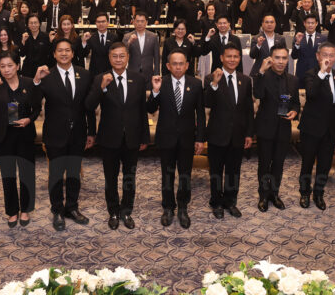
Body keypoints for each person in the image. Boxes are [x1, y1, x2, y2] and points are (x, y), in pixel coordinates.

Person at [33, 39, 96, 231]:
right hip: (55, 133)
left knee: (74, 173)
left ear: (72, 53)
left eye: (67, 50)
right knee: (56, 174)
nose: (64, 53)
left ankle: (72, 207)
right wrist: (36, 81)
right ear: (54, 54)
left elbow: (89, 107)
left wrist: (91, 132)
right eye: (60, 51)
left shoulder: (84, 74)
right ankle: (57, 210)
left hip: (78, 132)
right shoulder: (46, 76)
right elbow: (34, 103)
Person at [86, 43, 150, 230]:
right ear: (109, 58)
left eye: (122, 56)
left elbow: (142, 110)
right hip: (109, 138)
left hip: (132, 138)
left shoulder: (138, 79)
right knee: (110, 178)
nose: (118, 59)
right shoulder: (101, 78)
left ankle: (126, 211)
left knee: (130, 177)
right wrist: (101, 88)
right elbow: (89, 106)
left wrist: (145, 137)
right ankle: (113, 211)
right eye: (115, 56)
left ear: (128, 57)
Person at [148, 50, 206, 228]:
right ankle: (168, 207)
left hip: (187, 139)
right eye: (174, 64)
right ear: (168, 66)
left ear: (187, 65)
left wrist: (200, 139)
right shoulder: (161, 83)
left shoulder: (196, 84)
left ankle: (182, 207)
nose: (178, 67)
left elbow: (200, 114)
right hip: (166, 138)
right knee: (167, 174)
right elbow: (150, 109)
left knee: (185, 175)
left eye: (181, 63)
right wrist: (155, 91)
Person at [0, 53, 40, 227]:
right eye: (2, 66)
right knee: (8, 175)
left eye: (10, 65)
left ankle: (25, 209)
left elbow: (37, 107)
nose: (6, 69)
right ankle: (12, 211)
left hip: (24, 133)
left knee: (26, 173)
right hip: (4, 136)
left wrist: (29, 119)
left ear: (17, 66)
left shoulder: (29, 83)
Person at [204, 43, 254, 218]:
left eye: (235, 56)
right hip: (217, 134)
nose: (232, 60)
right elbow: (207, 103)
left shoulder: (245, 80)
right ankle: (216, 202)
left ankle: (230, 202)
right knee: (216, 171)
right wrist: (215, 84)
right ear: (221, 58)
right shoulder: (211, 78)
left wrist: (249, 133)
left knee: (234, 171)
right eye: (229, 56)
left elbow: (248, 110)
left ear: (239, 59)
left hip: (238, 135)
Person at [297, 42, 335, 211]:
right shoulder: (310, 74)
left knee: (325, 164)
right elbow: (311, 94)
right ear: (318, 56)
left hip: (330, 130)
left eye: (331, 55)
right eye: (325, 55)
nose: (328, 59)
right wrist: (322, 73)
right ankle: (304, 193)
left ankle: (319, 194)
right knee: (307, 163)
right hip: (311, 128)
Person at [253, 44, 300, 212]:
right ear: (271, 59)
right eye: (277, 58)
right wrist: (261, 71)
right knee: (264, 164)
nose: (280, 61)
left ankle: (274, 193)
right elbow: (258, 94)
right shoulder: (263, 76)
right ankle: (263, 195)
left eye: (284, 58)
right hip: (265, 127)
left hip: (284, 128)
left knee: (279, 164)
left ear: (288, 60)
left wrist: (295, 111)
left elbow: (296, 103)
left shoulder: (293, 80)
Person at [122, 11, 161, 87]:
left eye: (142, 21)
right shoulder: (127, 36)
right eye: (137, 21)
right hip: (132, 72)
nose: (139, 24)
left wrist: (156, 74)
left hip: (148, 73)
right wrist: (129, 42)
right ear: (133, 22)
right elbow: (122, 53)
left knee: (148, 92)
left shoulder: (153, 37)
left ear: (146, 22)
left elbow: (157, 57)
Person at [291, 15, 327, 83]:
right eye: (308, 23)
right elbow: (294, 56)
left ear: (316, 24)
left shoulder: (323, 38)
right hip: (301, 73)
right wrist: (297, 43)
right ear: (304, 23)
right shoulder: (298, 37)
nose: (310, 25)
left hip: (317, 73)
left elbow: (325, 56)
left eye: (312, 23)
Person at [81, 12, 118, 77]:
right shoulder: (91, 37)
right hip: (95, 72)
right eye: (98, 22)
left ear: (108, 22)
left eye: (103, 21)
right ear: (96, 23)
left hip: (110, 70)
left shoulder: (114, 37)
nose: (101, 24)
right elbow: (84, 54)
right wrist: (84, 42)